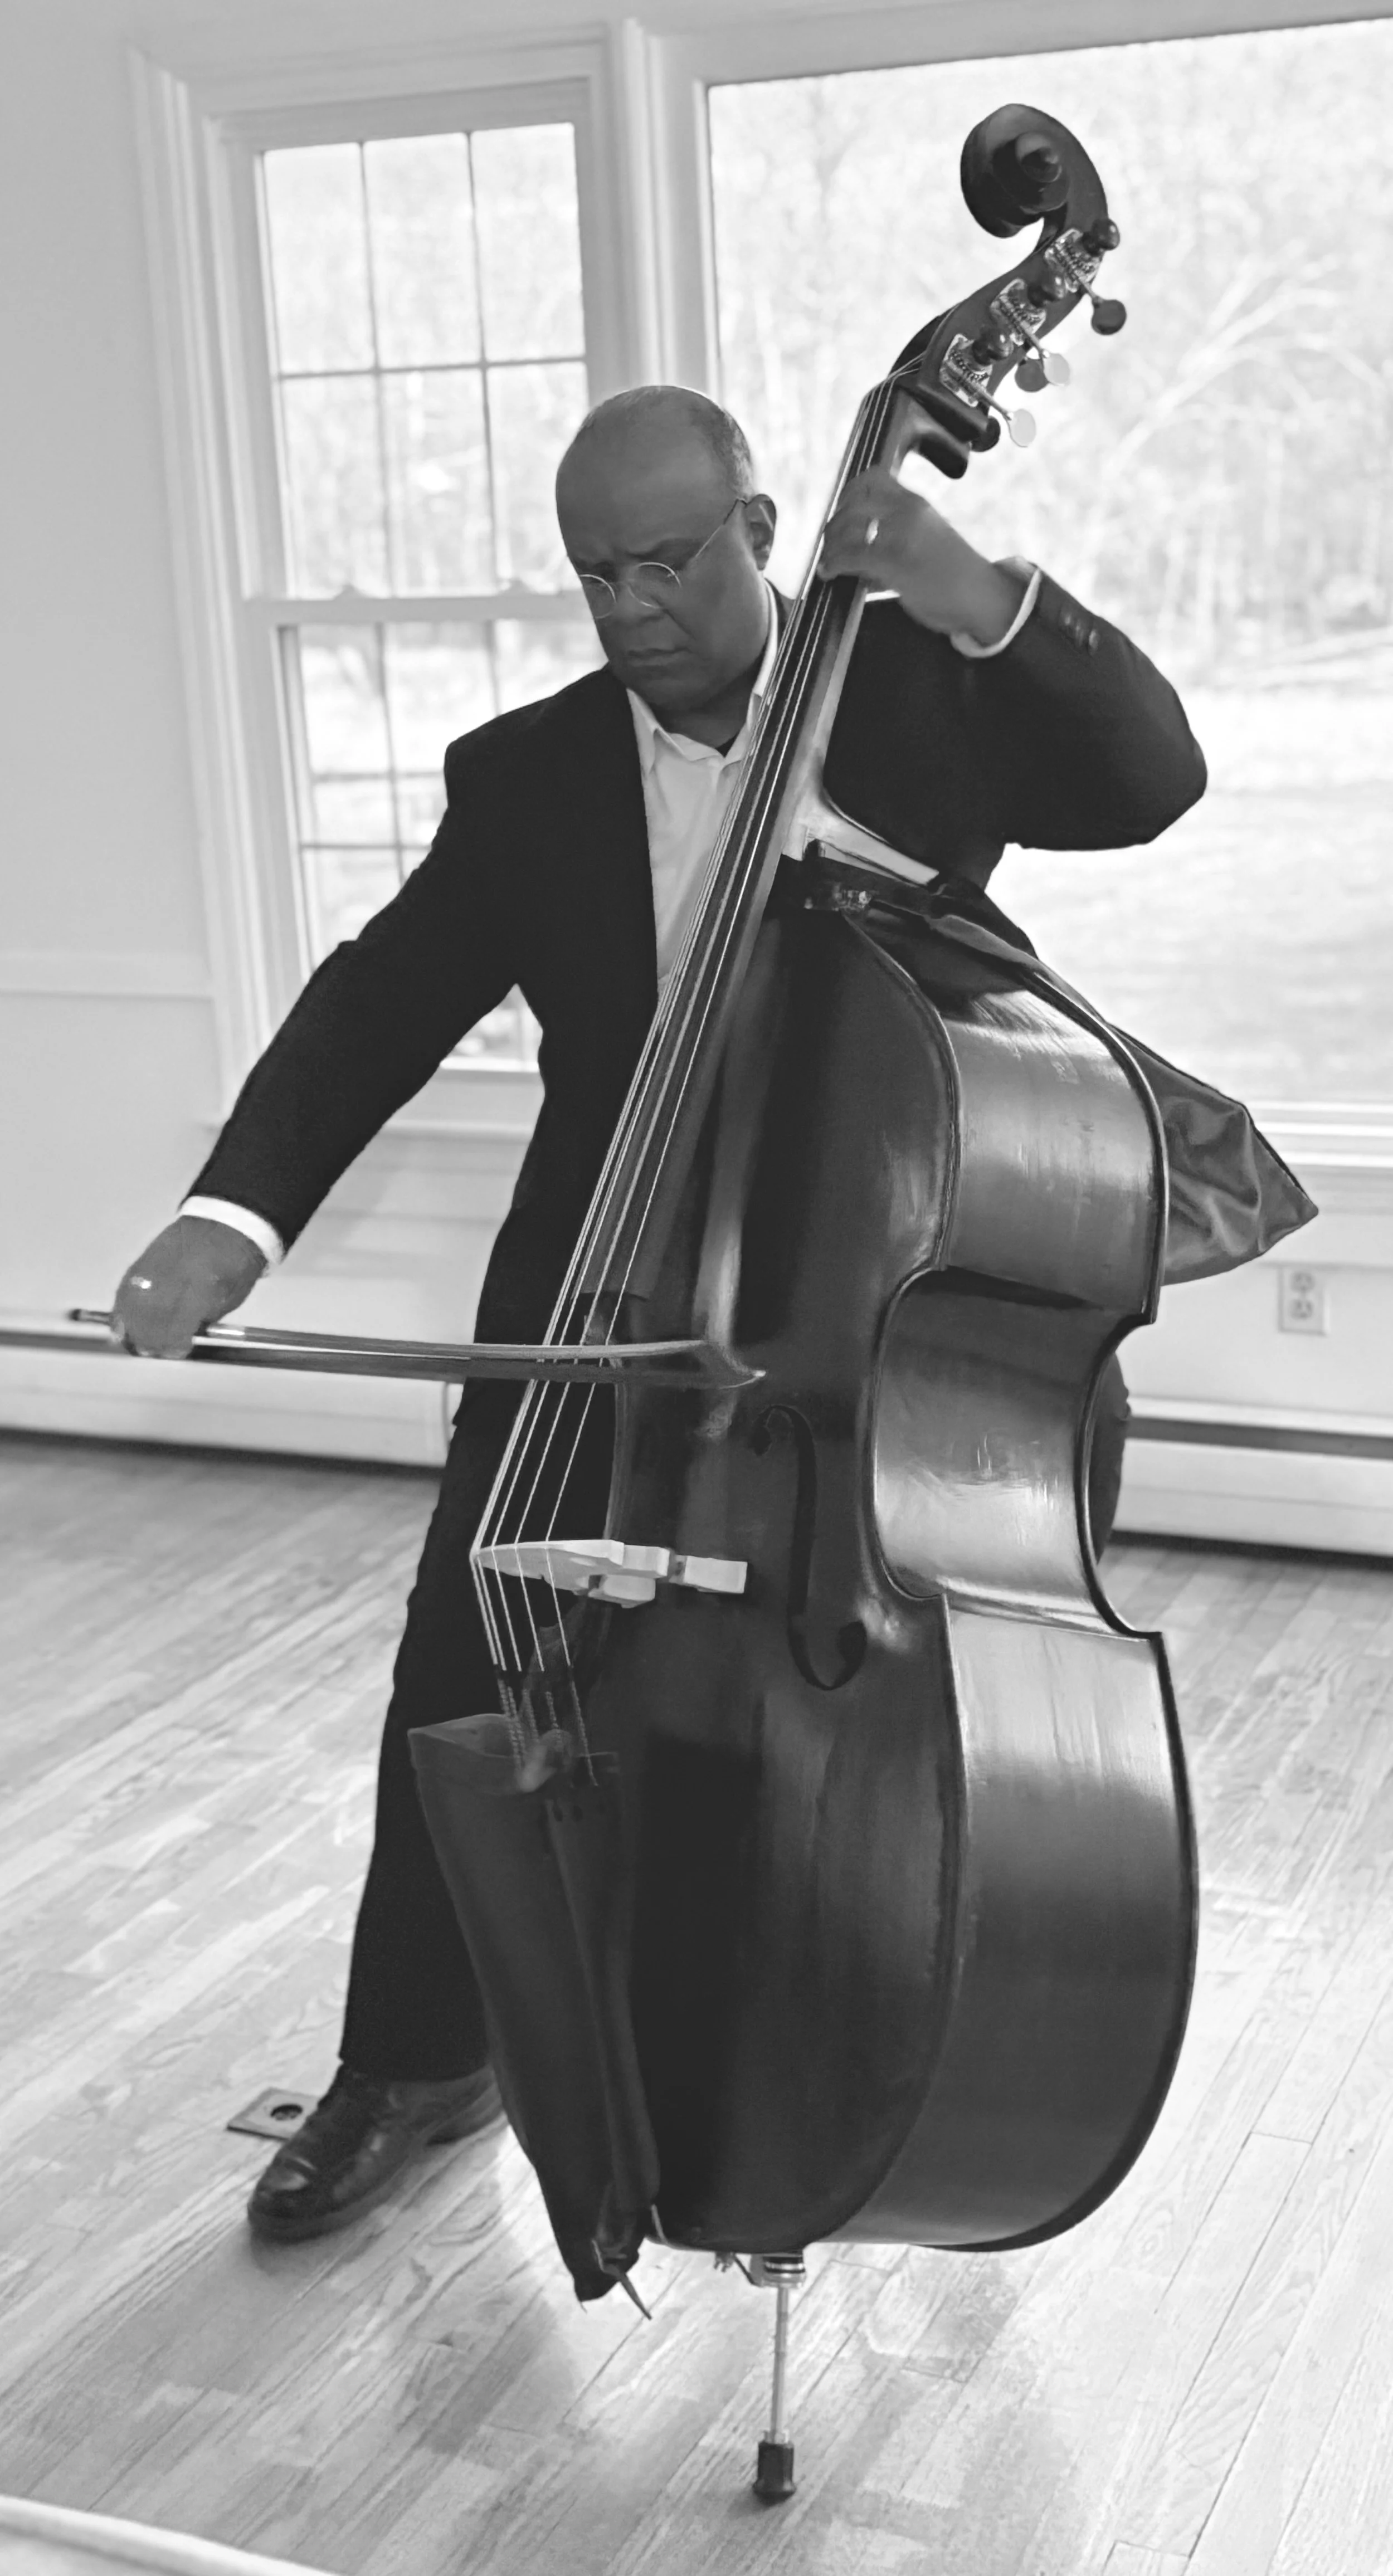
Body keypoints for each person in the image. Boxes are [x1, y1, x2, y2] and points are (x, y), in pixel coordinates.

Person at [112, 385, 1205, 2242]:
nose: (631, 609)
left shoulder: (919, 694)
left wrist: (973, 588)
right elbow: (381, 1001)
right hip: (597, 1293)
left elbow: (1146, 780)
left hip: (872, 1289)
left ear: (764, 531)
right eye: (596, 575)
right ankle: (415, 2060)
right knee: (463, 1666)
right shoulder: (526, 775)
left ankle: (895, 2034)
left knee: (878, 1699)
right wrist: (231, 1215)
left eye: (670, 561)